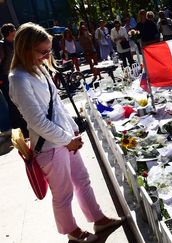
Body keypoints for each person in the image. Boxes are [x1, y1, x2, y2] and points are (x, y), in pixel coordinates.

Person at [9, 22, 123, 243]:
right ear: (25, 49)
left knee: (82, 180)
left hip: (63, 140)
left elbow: (57, 105)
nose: (47, 55)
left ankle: (98, 218)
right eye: (43, 51)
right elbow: (37, 121)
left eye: (49, 50)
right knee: (63, 193)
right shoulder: (19, 78)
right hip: (49, 147)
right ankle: (71, 231)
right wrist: (67, 139)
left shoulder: (39, 68)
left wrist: (73, 130)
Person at [0, 23, 28, 138]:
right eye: (14, 29)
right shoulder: (2, 45)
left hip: (18, 76)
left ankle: (27, 127)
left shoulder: (15, 43)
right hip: (6, 79)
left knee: (23, 101)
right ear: (9, 33)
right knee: (13, 105)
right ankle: (22, 130)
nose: (16, 30)